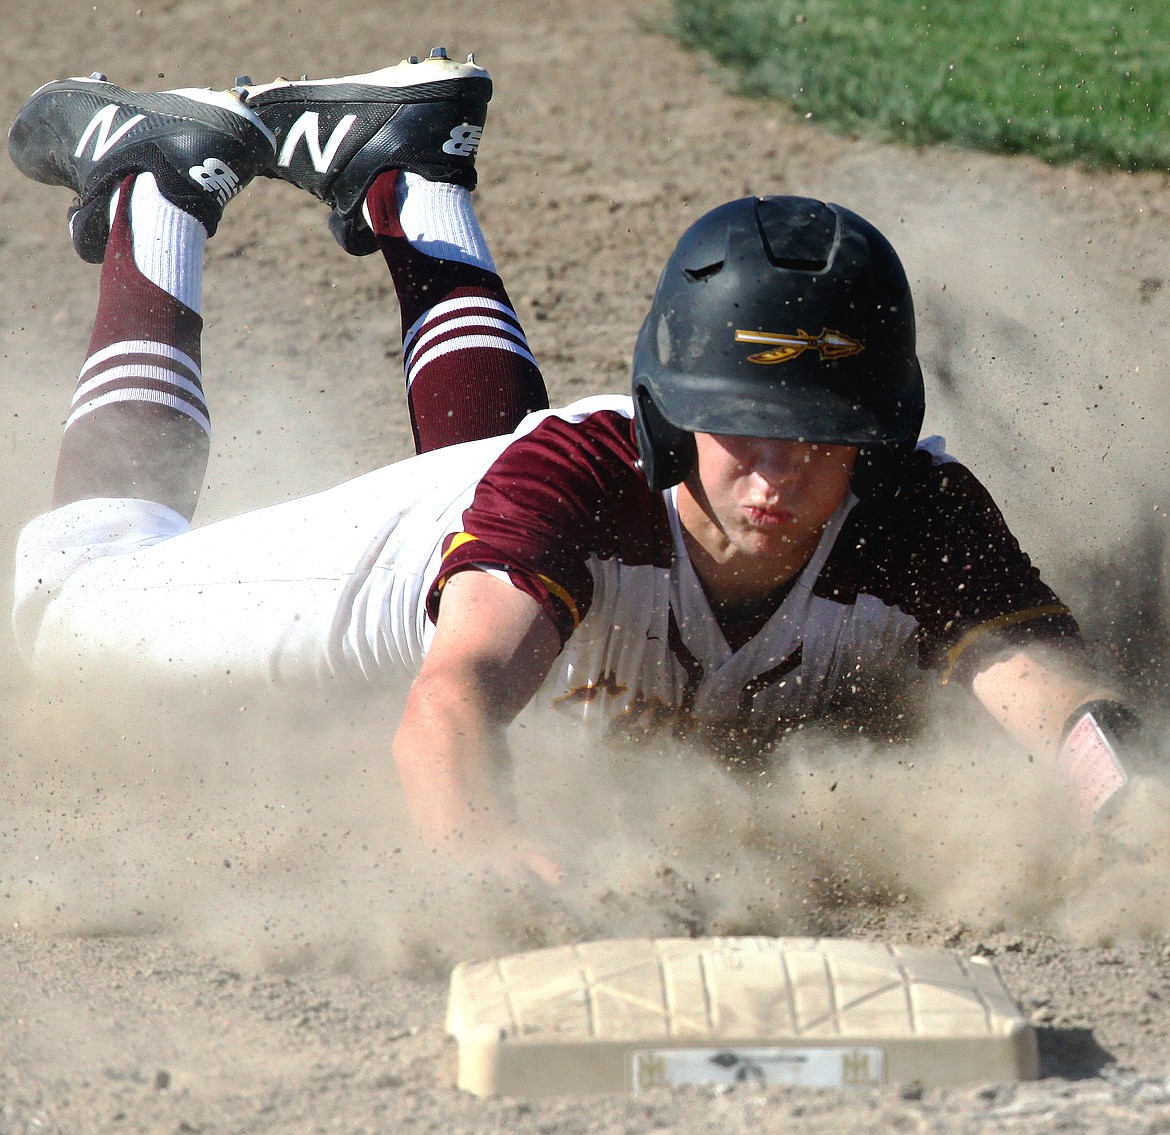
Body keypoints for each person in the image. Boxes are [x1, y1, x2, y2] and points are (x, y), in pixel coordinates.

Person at [7, 51, 1138, 883]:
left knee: (508, 495)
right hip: (409, 567)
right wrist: (490, 856)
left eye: (820, 434)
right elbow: (452, 698)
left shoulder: (916, 512)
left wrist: (1131, 805)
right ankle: (157, 183)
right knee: (66, 607)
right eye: (741, 429)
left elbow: (1061, 707)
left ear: (878, 438)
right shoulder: (584, 481)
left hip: (517, 522)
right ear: (668, 416)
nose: (776, 474)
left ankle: (406, 176)